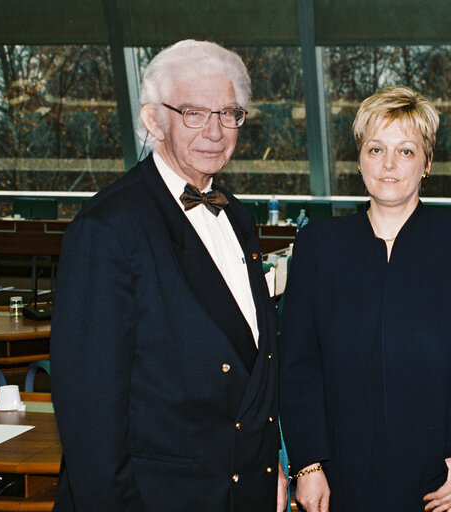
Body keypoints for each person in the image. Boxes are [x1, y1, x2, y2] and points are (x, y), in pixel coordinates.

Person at [51, 40, 285, 511]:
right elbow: (90, 415)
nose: (215, 131)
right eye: (193, 113)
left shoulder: (238, 217)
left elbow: (252, 365)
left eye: (228, 113)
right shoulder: (108, 228)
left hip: (242, 490)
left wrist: (268, 467)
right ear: (154, 120)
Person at [279, 85, 451, 512]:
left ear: (427, 163)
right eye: (376, 149)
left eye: (406, 151)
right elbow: (299, 369)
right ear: (359, 159)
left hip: (448, 483)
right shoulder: (318, 245)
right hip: (345, 479)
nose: (389, 164)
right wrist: (308, 467)